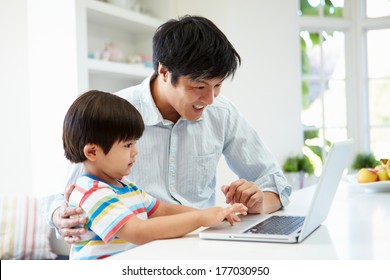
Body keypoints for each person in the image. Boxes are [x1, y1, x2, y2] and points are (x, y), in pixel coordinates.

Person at [45, 15, 292, 243]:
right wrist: (60, 216)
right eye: (199, 87)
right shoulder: (114, 115)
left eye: (217, 86)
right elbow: (63, 197)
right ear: (164, 71)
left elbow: (276, 183)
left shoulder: (222, 113)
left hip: (200, 245)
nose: (210, 99)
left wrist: (259, 201)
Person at [63, 90, 248, 259]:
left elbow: (161, 210)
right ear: (93, 152)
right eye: (128, 145)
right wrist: (200, 218)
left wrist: (211, 214)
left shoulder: (125, 186)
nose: (135, 152)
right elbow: (138, 231)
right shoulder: (91, 193)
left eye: (134, 143)